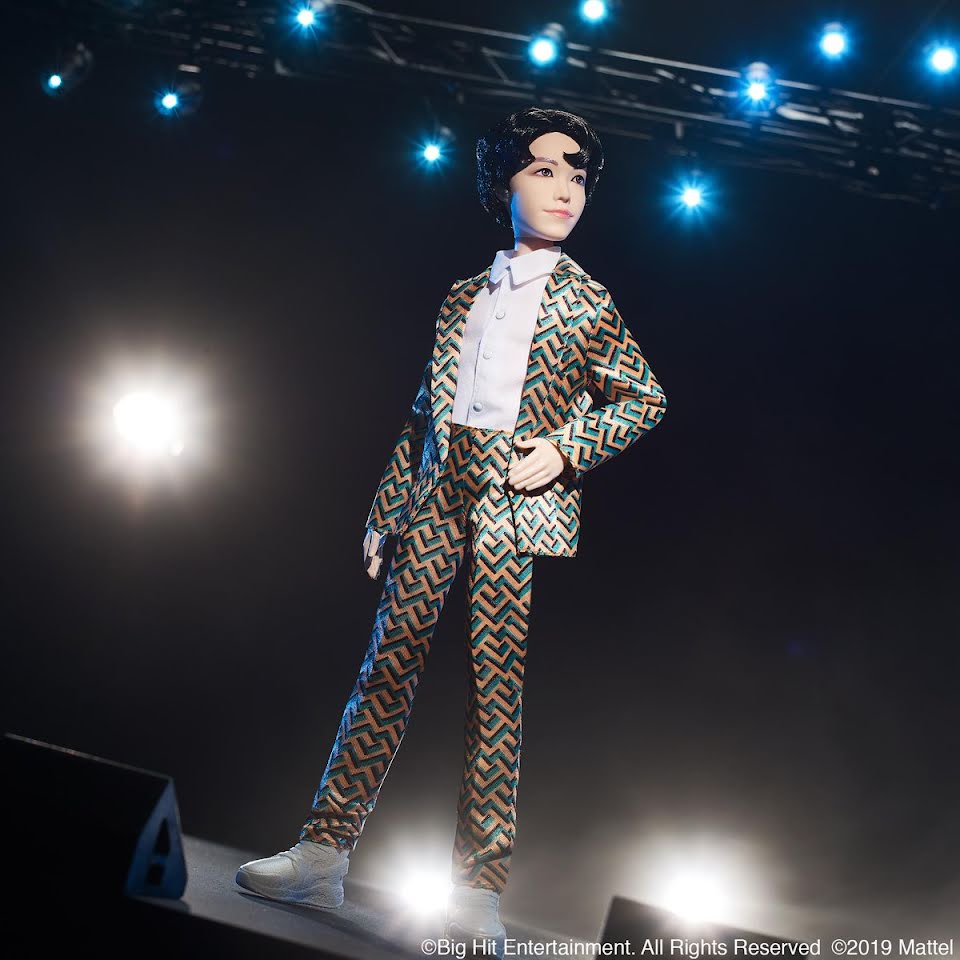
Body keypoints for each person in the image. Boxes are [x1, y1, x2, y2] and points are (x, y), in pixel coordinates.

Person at [236, 105, 668, 953]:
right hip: (439, 489)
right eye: (543, 169)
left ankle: (477, 889)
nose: (565, 188)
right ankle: (323, 848)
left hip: (511, 498)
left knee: (493, 692)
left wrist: (567, 448)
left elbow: (644, 397)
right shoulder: (463, 297)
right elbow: (422, 414)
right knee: (385, 667)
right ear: (503, 184)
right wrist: (387, 506)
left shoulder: (588, 302)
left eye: (577, 175)